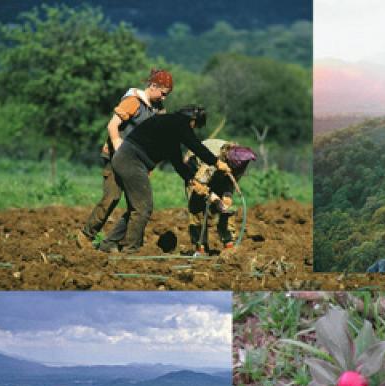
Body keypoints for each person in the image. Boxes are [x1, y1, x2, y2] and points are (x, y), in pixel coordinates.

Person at [97, 105, 232, 254]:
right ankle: (130, 250)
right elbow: (196, 146)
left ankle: (109, 243)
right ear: (192, 119)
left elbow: (178, 163)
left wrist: (192, 181)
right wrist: (217, 162)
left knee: (137, 208)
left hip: (129, 159)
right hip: (131, 160)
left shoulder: (170, 130)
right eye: (195, 125)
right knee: (143, 208)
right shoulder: (180, 123)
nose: (193, 129)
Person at [79, 69, 173, 244]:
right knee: (111, 198)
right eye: (162, 93)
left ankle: (112, 243)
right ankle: (86, 236)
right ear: (153, 86)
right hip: (116, 157)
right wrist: (118, 147)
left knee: (137, 206)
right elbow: (112, 125)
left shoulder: (159, 110)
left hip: (137, 163)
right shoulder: (133, 102)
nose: (163, 97)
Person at [184, 139, 257, 254]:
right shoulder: (210, 161)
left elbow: (230, 181)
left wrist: (226, 196)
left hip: (217, 171)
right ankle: (200, 247)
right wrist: (213, 198)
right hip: (195, 170)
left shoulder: (237, 160)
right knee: (196, 209)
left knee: (225, 208)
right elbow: (198, 186)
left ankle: (229, 244)